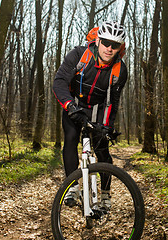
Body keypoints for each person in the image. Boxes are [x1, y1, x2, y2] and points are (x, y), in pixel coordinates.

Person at [53, 20, 127, 209]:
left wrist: (108, 127)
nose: (109, 49)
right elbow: (59, 82)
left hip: (97, 109)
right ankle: (72, 186)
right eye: (106, 43)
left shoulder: (120, 70)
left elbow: (112, 101)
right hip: (74, 104)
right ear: (97, 40)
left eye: (115, 45)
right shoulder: (79, 55)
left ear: (120, 48)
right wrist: (70, 106)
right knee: (70, 137)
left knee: (102, 148)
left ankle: (106, 193)